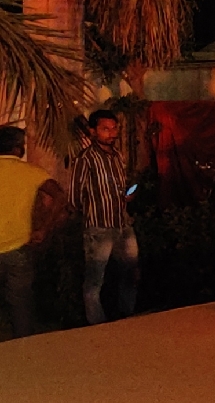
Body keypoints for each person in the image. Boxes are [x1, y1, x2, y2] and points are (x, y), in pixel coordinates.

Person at [71, 110, 138, 325]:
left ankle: (126, 315)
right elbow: (75, 196)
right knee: (94, 280)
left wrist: (126, 195)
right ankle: (97, 324)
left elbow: (121, 185)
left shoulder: (117, 156)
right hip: (99, 226)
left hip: (122, 223)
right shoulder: (86, 159)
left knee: (130, 271)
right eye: (105, 129)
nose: (112, 133)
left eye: (114, 128)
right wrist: (91, 212)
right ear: (93, 131)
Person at [0, 126, 67, 338]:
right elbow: (59, 196)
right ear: (17, 148)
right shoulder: (31, 172)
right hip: (18, 248)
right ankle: (25, 349)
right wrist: (43, 229)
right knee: (21, 306)